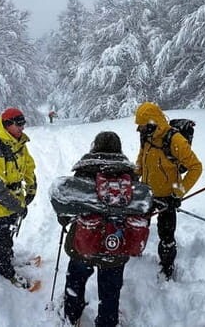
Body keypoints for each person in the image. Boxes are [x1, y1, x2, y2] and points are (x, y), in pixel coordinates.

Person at [59, 131, 136, 327]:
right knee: (110, 289)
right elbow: (138, 207)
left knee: (76, 279)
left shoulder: (85, 170)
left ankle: (71, 315)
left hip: (84, 241)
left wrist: (64, 219)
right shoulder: (129, 173)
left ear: (95, 147)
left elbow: (70, 204)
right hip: (115, 243)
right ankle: (107, 321)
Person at [134, 101, 202, 280]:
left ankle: (167, 268)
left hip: (167, 197)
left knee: (166, 236)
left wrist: (178, 193)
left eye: (142, 126)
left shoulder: (175, 140)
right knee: (137, 226)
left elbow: (196, 167)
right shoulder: (146, 137)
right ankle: (135, 256)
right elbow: (141, 159)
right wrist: (134, 175)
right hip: (146, 193)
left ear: (152, 123)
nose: (139, 130)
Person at [0, 107, 37, 289]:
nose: (22, 127)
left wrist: (31, 188)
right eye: (19, 124)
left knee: (9, 234)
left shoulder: (18, 142)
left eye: (23, 123)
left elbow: (28, 166)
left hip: (15, 198)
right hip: (0, 203)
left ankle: (8, 258)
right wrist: (17, 205)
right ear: (7, 124)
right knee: (1, 238)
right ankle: (5, 272)